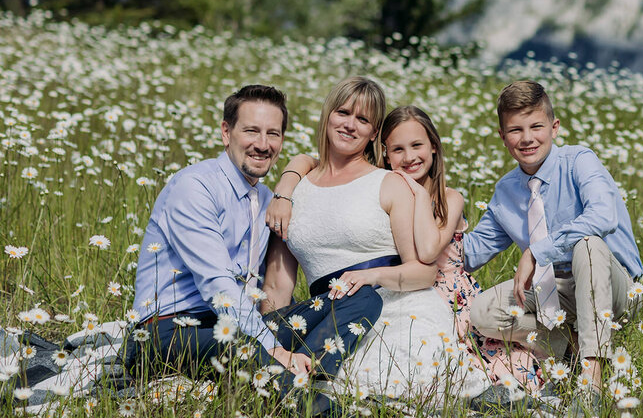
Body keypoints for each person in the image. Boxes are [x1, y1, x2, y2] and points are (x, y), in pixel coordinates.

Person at [128, 84, 381, 416]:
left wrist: (286, 189)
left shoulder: (265, 201)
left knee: (363, 298)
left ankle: (311, 372)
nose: (263, 144)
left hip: (239, 326)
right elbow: (219, 288)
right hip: (168, 332)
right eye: (251, 131)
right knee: (242, 346)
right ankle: (320, 409)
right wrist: (274, 348)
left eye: (273, 134)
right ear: (226, 132)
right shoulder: (194, 188)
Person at [269, 102, 528, 409]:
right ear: (385, 153)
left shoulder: (448, 197)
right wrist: (289, 177)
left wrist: (418, 193)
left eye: (417, 146)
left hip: (447, 296)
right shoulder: (383, 183)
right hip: (401, 288)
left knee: (457, 364)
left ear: (434, 147)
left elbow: (429, 252)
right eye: (398, 150)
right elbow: (312, 161)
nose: (409, 157)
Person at [464, 80, 643, 418]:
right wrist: (430, 214)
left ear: (554, 127)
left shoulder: (579, 161)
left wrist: (536, 250)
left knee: (587, 246)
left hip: (613, 287)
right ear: (503, 137)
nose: (527, 138)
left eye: (536, 126)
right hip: (555, 294)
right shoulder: (506, 191)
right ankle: (569, 346)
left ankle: (591, 386)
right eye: (515, 130)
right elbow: (471, 252)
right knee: (483, 311)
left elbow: (603, 216)